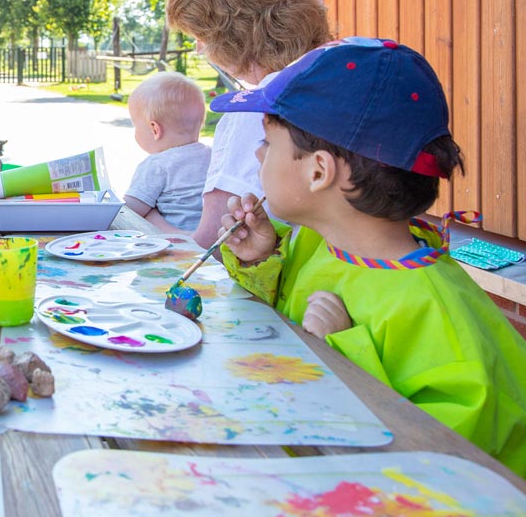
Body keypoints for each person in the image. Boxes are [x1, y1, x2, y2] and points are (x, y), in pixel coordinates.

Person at [214, 38, 526, 476]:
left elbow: (445, 471)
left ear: (318, 171)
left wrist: (344, 364)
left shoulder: (438, 315)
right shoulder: (315, 243)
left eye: (268, 141)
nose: (257, 153)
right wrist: (262, 259)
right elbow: (280, 324)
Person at [165, 0, 331, 250]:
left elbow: (214, 248)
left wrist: (142, 227)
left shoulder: (256, 108)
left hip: (289, 292)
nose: (200, 49)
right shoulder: (337, 74)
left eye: (202, 36)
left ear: (232, 33)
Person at [123, 71, 210, 231]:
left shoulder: (157, 165)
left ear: (155, 129)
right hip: (213, 238)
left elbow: (129, 210)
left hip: (174, 246)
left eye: (136, 125)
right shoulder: (214, 155)